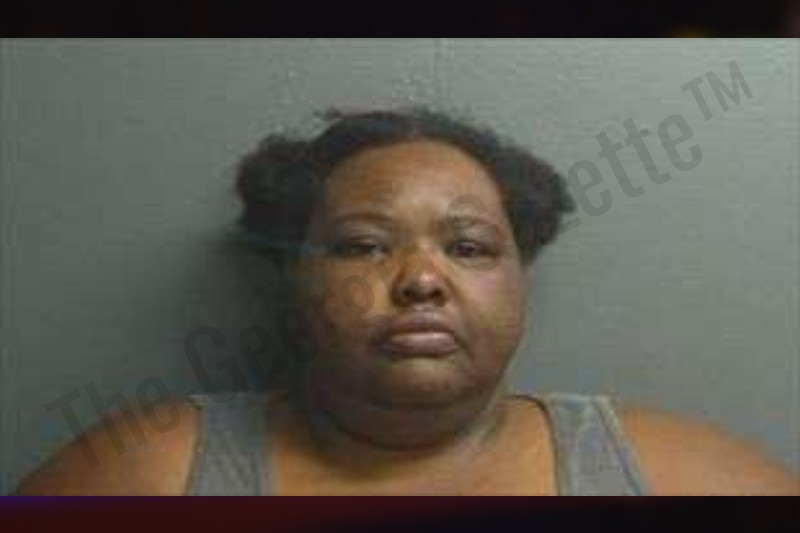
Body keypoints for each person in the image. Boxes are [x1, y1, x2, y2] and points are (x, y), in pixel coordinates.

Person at [16, 108, 799, 495]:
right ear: (295, 277)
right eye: (363, 245)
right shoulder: (151, 470)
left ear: (519, 278)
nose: (421, 279)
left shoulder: (669, 472)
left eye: (469, 247)